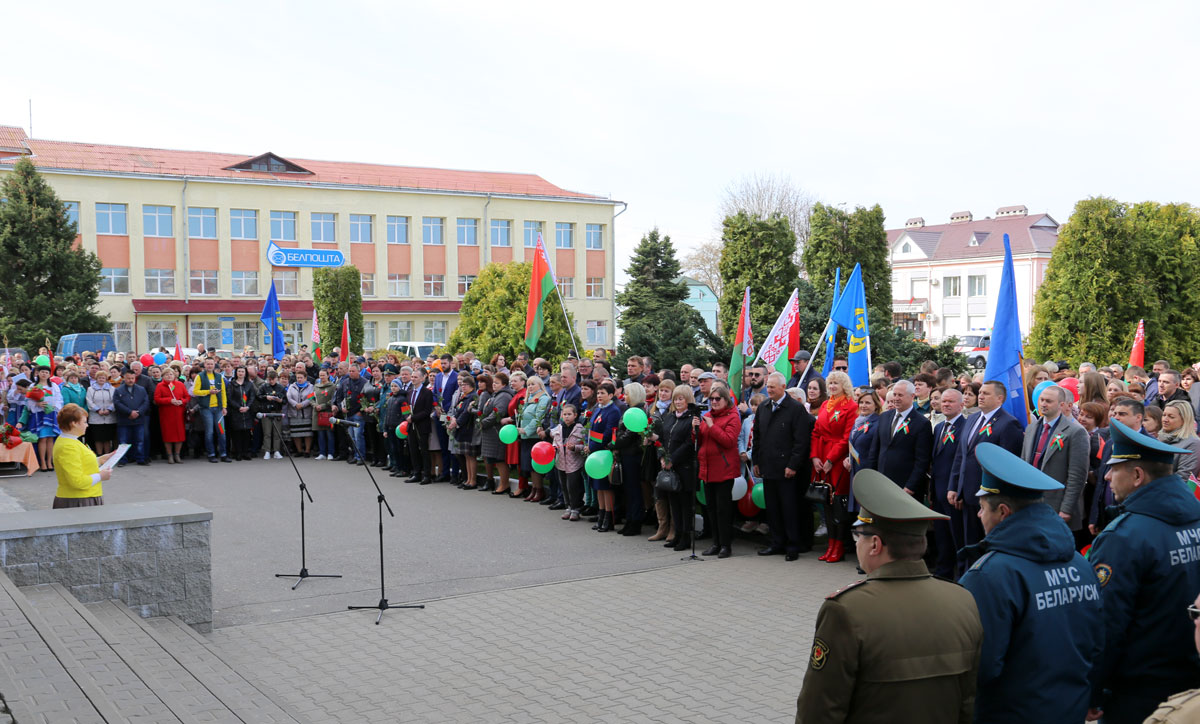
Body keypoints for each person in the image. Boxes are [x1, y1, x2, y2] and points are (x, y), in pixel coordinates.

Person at [794, 468, 983, 723]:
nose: (856, 543)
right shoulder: (963, 600)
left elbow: (819, 711)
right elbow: (968, 702)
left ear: (875, 545)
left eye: (857, 535)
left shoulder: (846, 610)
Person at [958, 443, 1102, 724]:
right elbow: (1096, 642)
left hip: (1011, 712)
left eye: (982, 508)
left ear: (1003, 511)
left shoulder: (989, 574)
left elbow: (981, 666)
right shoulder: (1079, 563)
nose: (978, 515)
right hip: (1069, 707)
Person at [1086, 420, 1200, 723]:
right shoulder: (1196, 519)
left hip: (1139, 691)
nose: (1108, 476)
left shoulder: (1124, 537)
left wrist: (1092, 691)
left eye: (1114, 468)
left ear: (1137, 475)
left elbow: (1105, 625)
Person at [948, 381, 1023, 550]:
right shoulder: (972, 418)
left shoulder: (1008, 423)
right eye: (980, 393)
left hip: (990, 497)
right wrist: (954, 486)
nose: (980, 396)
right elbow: (961, 455)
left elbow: (1008, 465)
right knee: (969, 543)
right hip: (966, 494)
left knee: (987, 545)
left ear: (1000, 398)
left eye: (986, 393)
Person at [753, 371, 814, 560]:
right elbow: (758, 437)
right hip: (768, 466)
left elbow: (801, 441)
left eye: (772, 386)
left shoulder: (795, 409)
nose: (769, 389)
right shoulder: (763, 407)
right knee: (772, 508)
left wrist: (793, 465)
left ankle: (793, 545)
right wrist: (756, 461)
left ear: (782, 387)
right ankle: (776, 543)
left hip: (787, 469)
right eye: (767, 386)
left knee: (789, 509)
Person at [1021, 384, 1090, 541]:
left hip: (1056, 505)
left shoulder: (1075, 432)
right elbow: (1024, 463)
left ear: (1062, 405)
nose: (1044, 404)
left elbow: (1077, 475)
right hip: (1030, 503)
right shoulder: (1032, 428)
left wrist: (1066, 508)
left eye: (1049, 401)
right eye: (1042, 400)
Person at [810, 371, 858, 563]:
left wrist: (830, 459)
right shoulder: (824, 404)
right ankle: (830, 545)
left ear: (844, 385)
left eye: (836, 383)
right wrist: (814, 456)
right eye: (830, 383)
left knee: (837, 504)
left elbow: (847, 437)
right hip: (821, 458)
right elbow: (815, 432)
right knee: (825, 504)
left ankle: (839, 546)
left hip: (837, 462)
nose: (832, 387)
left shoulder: (851, 406)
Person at [864, 379, 933, 498]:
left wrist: (911, 486)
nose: (896, 398)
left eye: (900, 395)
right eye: (894, 394)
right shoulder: (885, 417)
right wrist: (871, 478)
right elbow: (875, 450)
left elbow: (922, 460)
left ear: (912, 396)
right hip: (881, 482)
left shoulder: (922, 423)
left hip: (904, 486)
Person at [696, 382, 740, 557]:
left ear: (725, 400)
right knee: (711, 509)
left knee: (723, 510)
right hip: (707, 469)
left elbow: (729, 441)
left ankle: (725, 545)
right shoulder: (707, 415)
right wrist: (695, 429)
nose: (713, 402)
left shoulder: (733, 416)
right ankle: (715, 543)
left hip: (723, 469)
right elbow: (700, 440)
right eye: (711, 399)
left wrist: (712, 426)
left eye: (717, 399)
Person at [1142, 590, 1200, 722]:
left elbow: (1113, 622)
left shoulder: (1171, 719)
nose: (1195, 622)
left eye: (1196, 614)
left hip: (1138, 686)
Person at [929, 387, 967, 578]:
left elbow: (963, 463)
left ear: (961, 405)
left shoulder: (966, 427)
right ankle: (943, 571)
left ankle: (961, 574)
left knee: (957, 535)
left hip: (954, 492)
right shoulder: (938, 427)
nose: (946, 404)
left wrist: (958, 490)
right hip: (938, 491)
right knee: (942, 535)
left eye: (950, 401)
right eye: (944, 401)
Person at [657, 384, 698, 549]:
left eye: (681, 398)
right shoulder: (670, 417)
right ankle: (677, 534)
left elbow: (690, 443)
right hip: (669, 466)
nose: (678, 402)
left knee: (685, 504)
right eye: (676, 399)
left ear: (688, 399)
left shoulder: (691, 419)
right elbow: (662, 438)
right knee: (673, 502)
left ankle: (686, 537)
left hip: (684, 467)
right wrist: (661, 456)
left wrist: (672, 459)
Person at [51, 404, 114, 508]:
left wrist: (101, 459)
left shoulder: (71, 440)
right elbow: (77, 482)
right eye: (84, 422)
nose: (87, 425)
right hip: (78, 499)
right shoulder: (68, 446)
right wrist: (101, 476)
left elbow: (81, 462)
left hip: (83, 497)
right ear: (74, 423)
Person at [611, 382, 650, 536]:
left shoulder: (638, 411)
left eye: (626, 393)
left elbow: (628, 435)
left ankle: (635, 521)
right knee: (628, 490)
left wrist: (612, 444)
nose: (624, 396)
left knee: (634, 490)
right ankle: (630, 519)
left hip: (633, 454)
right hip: (626, 453)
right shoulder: (629, 409)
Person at [587, 380, 622, 533]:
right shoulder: (598, 409)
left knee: (606, 487)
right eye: (598, 393)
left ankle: (609, 518)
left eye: (603, 393)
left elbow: (608, 434)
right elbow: (592, 430)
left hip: (603, 453)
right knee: (598, 487)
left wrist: (592, 445)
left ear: (611, 395)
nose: (599, 396)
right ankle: (601, 514)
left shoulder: (613, 411)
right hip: (595, 452)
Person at [517, 375, 551, 501]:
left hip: (534, 436)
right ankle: (534, 489)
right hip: (526, 436)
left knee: (535, 465)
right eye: (528, 385)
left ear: (540, 385)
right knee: (528, 465)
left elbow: (539, 417)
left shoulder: (543, 398)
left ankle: (539, 490)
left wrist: (526, 430)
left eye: (533, 384)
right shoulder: (529, 398)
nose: (530, 387)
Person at [551, 403, 587, 521]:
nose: (566, 417)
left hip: (574, 463)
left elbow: (584, 445)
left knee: (574, 486)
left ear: (575, 415)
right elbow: (555, 442)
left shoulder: (580, 428)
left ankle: (576, 508)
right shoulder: (559, 428)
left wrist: (575, 448)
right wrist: (554, 448)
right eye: (564, 414)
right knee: (564, 486)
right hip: (561, 462)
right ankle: (568, 506)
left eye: (569, 414)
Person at [191, 358, 231, 463]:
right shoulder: (200, 376)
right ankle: (211, 454)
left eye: (211, 364)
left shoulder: (219, 376)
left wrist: (224, 407)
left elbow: (223, 393)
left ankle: (223, 454)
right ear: (204, 365)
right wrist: (209, 392)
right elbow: (195, 391)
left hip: (218, 408)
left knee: (222, 432)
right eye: (208, 364)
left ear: (214, 365)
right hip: (206, 408)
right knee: (210, 432)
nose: (209, 366)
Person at [480, 372, 514, 494]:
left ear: (504, 384)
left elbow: (498, 413)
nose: (494, 385)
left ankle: (504, 485)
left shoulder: (504, 396)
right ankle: (502, 484)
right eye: (493, 382)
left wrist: (483, 422)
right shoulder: (496, 395)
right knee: (495, 459)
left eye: (497, 383)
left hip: (497, 431)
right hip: (491, 431)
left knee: (500, 460)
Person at [113, 368, 150, 466]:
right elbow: (117, 403)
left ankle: (140, 459)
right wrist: (129, 412)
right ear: (124, 378)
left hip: (139, 419)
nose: (130, 380)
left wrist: (138, 412)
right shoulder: (118, 390)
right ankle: (123, 460)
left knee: (140, 440)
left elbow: (145, 402)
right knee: (123, 441)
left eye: (132, 378)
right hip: (124, 420)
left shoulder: (141, 389)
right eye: (128, 378)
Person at [448, 374, 479, 489]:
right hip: (462, 430)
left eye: (465, 385)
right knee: (466, 456)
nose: (463, 387)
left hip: (469, 430)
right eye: (461, 385)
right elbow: (458, 409)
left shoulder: (473, 396)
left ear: (471, 385)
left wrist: (456, 423)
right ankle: (468, 479)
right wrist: (454, 418)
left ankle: (473, 480)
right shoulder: (464, 396)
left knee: (471, 456)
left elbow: (466, 412)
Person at [153, 367, 188, 464]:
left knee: (180, 435)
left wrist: (182, 401)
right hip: (166, 414)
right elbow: (157, 399)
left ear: (174, 375)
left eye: (171, 374)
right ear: (163, 376)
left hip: (179, 413)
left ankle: (177, 454)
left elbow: (187, 397)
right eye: (167, 374)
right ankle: (170, 455)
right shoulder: (160, 386)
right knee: (168, 435)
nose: (169, 376)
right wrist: (169, 400)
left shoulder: (180, 384)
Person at [1161, 400, 1200, 479]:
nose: (1165, 419)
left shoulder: (1193, 444)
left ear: (1184, 420)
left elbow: (1183, 478)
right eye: (1164, 415)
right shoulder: (1159, 438)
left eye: (1171, 417)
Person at [225, 365, 257, 460]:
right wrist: (238, 407)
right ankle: (238, 453)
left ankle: (245, 452)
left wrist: (247, 406)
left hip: (247, 412)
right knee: (237, 433)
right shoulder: (232, 384)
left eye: (242, 371)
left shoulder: (249, 384)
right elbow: (229, 398)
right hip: (236, 412)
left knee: (247, 433)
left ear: (245, 373)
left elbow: (252, 397)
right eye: (239, 371)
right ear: (236, 373)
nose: (241, 373)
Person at [85, 369, 117, 457]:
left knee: (107, 438)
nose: (101, 379)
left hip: (109, 417)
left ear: (106, 379)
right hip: (96, 417)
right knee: (98, 438)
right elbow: (89, 401)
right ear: (96, 378)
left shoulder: (112, 389)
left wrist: (109, 409)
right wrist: (97, 410)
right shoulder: (90, 389)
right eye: (99, 378)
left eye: (103, 378)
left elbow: (115, 401)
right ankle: (99, 454)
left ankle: (107, 455)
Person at [257, 369, 287, 460]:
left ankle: (276, 451)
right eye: (269, 379)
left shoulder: (281, 388)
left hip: (277, 412)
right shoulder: (263, 387)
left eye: (273, 379)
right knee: (267, 433)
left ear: (276, 379)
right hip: (266, 412)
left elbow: (285, 400)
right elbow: (258, 396)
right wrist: (266, 397)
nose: (271, 381)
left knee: (277, 432)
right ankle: (267, 451)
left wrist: (280, 400)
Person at [287, 369, 314, 457]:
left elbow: (311, 397)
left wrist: (302, 404)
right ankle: (299, 450)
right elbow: (289, 397)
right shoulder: (292, 386)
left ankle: (307, 450)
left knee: (307, 433)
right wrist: (295, 404)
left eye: (301, 378)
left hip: (306, 413)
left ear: (305, 378)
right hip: (294, 413)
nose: (299, 379)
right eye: (298, 378)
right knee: (296, 433)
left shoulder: (311, 387)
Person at [312, 368, 337, 460]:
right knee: (320, 434)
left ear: (328, 375)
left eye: (323, 375)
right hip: (317, 413)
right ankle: (322, 452)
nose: (322, 377)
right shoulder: (315, 386)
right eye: (320, 375)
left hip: (328, 412)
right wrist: (315, 405)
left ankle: (331, 452)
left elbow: (333, 399)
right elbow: (310, 398)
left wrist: (323, 406)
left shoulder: (332, 386)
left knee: (329, 433)